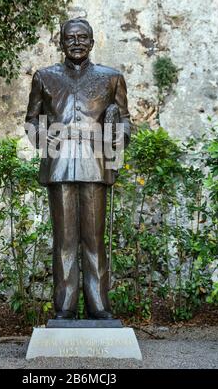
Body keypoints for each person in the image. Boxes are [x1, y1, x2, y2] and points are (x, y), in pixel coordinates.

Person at [25, 18, 130, 319]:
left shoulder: (111, 78)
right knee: (65, 241)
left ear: (93, 42)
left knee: (95, 239)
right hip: (59, 166)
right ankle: (65, 307)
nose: (77, 43)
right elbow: (32, 120)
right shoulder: (44, 77)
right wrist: (47, 139)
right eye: (70, 38)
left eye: (83, 37)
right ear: (60, 43)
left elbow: (124, 120)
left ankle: (99, 306)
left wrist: (116, 137)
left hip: (95, 165)